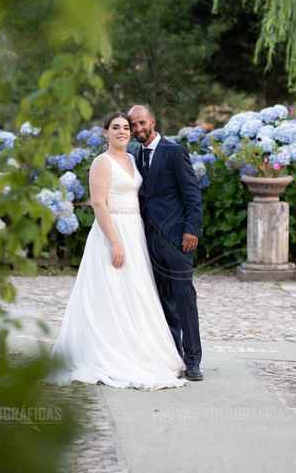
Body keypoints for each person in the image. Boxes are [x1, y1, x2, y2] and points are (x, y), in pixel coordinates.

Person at [47, 111, 187, 389]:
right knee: (111, 290)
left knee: (135, 291)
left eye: (126, 127)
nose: (122, 131)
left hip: (135, 231)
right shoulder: (102, 162)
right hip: (113, 231)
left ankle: (138, 348)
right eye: (116, 127)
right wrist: (115, 241)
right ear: (105, 133)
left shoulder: (133, 160)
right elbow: (99, 204)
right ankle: (109, 351)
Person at [128, 105, 204, 381]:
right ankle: (174, 355)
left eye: (141, 123)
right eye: (133, 125)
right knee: (162, 300)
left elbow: (192, 194)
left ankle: (194, 360)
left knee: (184, 298)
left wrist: (191, 229)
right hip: (146, 240)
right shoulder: (135, 155)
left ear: (153, 121)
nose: (138, 129)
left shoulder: (174, 152)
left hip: (176, 239)